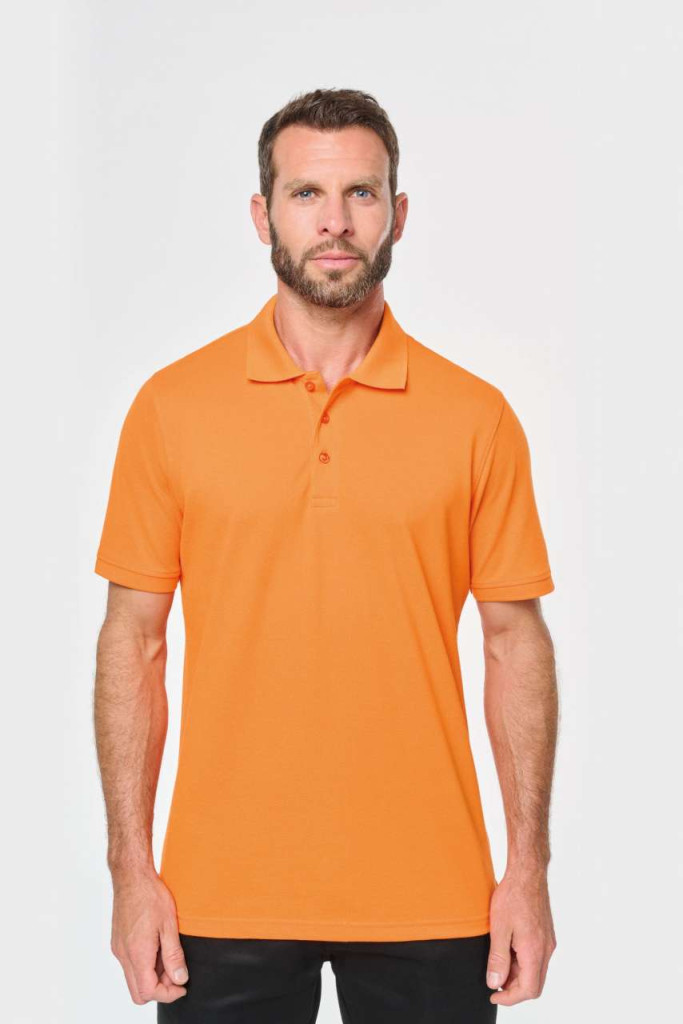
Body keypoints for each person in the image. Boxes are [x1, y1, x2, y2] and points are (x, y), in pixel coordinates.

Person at [93, 87, 558, 1023]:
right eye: (306, 193)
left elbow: (515, 644)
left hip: (434, 895)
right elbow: (132, 643)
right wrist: (130, 871)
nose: (335, 221)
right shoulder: (172, 409)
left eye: (361, 193)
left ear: (398, 214)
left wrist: (528, 872)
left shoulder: (476, 418)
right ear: (262, 213)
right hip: (220, 896)